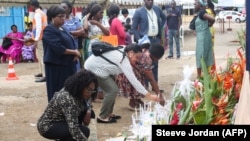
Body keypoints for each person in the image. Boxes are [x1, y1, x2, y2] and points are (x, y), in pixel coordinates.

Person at [84, 43, 161, 123]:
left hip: (103, 68)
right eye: (137, 57)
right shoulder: (124, 60)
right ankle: (102, 116)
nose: (137, 60)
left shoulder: (125, 49)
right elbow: (133, 81)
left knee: (113, 90)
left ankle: (109, 113)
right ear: (131, 53)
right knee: (112, 90)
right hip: (95, 69)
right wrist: (149, 95)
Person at [37, 69, 98, 141]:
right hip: (48, 126)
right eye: (88, 89)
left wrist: (88, 110)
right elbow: (74, 130)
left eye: (92, 90)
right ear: (80, 85)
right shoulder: (67, 98)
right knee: (84, 132)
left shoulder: (82, 94)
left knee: (84, 128)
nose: (90, 93)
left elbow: (85, 112)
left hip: (63, 121)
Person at [42, 5, 81, 102]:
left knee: (69, 91)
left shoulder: (63, 29)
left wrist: (75, 53)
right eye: (60, 17)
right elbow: (58, 47)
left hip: (68, 65)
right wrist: (74, 52)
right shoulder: (49, 30)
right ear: (52, 17)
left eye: (64, 16)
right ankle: (56, 114)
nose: (63, 19)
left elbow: (71, 41)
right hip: (56, 66)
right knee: (57, 91)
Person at [117, 37, 165, 109]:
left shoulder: (145, 50)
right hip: (128, 73)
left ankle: (137, 99)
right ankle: (133, 102)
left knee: (140, 78)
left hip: (129, 71)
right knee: (138, 81)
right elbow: (151, 79)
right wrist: (160, 96)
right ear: (156, 57)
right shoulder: (147, 59)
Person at [132, 0, 166, 88]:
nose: (150, 2)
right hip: (145, 41)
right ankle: (145, 85)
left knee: (155, 63)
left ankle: (155, 85)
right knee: (145, 63)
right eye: (148, 0)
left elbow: (164, 18)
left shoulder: (157, 9)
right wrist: (139, 39)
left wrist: (160, 27)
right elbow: (134, 28)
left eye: (151, 0)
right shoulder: (139, 12)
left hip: (156, 39)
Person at [60, 0, 85, 70]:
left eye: (64, 7)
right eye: (61, 7)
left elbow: (82, 31)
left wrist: (69, 33)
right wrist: (75, 33)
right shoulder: (59, 20)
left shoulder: (75, 19)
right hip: (64, 48)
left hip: (74, 48)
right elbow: (59, 33)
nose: (62, 9)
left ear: (69, 9)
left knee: (75, 69)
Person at [194, 0, 215, 78]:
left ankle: (199, 76)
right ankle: (205, 75)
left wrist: (209, 25)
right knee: (203, 55)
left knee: (201, 55)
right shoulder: (200, 13)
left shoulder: (202, 13)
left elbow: (212, 19)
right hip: (202, 36)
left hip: (203, 37)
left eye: (195, 4)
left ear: (200, 4)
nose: (194, 5)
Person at [30, 0, 48, 82]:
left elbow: (38, 27)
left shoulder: (37, 14)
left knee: (41, 56)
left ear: (33, 6)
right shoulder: (42, 12)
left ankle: (45, 75)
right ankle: (41, 72)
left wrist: (36, 39)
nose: (30, 8)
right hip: (42, 37)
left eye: (31, 6)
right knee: (39, 55)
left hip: (40, 38)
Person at [206, 0, 216, 72]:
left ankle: (208, 69)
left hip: (207, 30)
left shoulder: (206, 11)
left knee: (207, 50)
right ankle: (213, 68)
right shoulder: (213, 12)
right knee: (211, 49)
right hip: (212, 31)